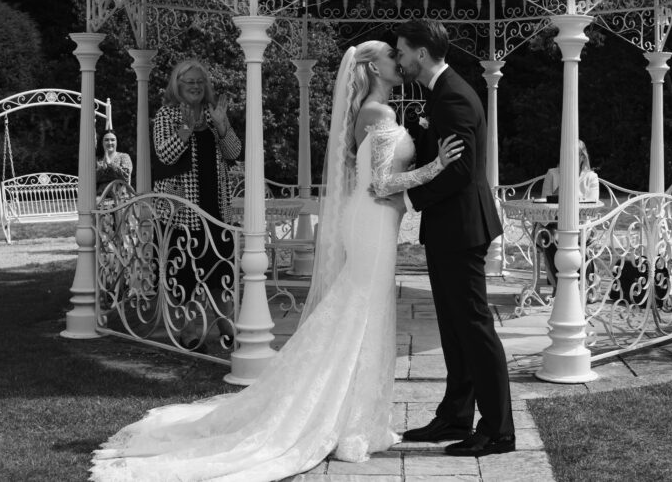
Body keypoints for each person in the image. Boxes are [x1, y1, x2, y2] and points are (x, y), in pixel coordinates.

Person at [90, 41, 463, 481]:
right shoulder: (376, 114)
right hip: (369, 219)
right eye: (390, 55)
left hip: (374, 221)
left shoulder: (377, 111)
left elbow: (235, 152)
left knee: (366, 312)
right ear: (370, 66)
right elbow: (381, 183)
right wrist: (435, 166)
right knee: (361, 310)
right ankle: (347, 420)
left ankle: (361, 419)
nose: (398, 61)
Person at [394, 19, 516, 458]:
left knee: (475, 328)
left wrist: (411, 194)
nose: (399, 59)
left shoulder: (454, 97)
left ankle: (499, 430)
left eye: (402, 51)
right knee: (454, 326)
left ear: (421, 53)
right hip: (449, 228)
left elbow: (462, 171)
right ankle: (455, 415)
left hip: (463, 229)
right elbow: (440, 158)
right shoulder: (439, 95)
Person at [151, 59, 243, 350]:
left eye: (199, 82)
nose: (194, 86)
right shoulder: (167, 114)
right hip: (181, 212)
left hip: (216, 207)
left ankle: (224, 324)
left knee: (219, 272)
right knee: (186, 274)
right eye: (188, 81)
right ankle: (189, 330)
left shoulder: (213, 113)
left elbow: (234, 153)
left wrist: (222, 125)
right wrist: (185, 130)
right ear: (176, 86)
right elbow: (164, 155)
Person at [539, 140, 599, 285]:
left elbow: (591, 208)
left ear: (582, 157)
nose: (568, 158)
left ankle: (581, 283)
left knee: (571, 236)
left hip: (581, 223)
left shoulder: (591, 177)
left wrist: (574, 192)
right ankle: (560, 286)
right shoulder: (552, 174)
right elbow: (543, 204)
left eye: (573, 154)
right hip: (554, 221)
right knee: (550, 235)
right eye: (565, 154)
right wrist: (563, 184)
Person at [95, 129, 133, 194]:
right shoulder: (96, 159)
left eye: (112, 140)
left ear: (117, 142)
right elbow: (90, 180)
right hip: (100, 198)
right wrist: (102, 170)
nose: (110, 143)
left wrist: (110, 164)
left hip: (121, 198)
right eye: (106, 140)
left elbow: (126, 176)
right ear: (102, 142)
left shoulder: (124, 157)